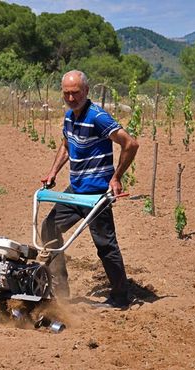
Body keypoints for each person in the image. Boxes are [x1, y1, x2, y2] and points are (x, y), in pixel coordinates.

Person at [40, 70, 139, 308]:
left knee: (105, 245)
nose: (71, 98)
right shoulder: (69, 117)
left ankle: (120, 296)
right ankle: (60, 289)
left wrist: (116, 177)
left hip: (96, 194)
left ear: (86, 91)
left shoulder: (98, 117)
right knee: (49, 228)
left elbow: (131, 143)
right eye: (67, 94)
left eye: (75, 93)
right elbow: (66, 144)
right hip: (75, 190)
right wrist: (53, 172)